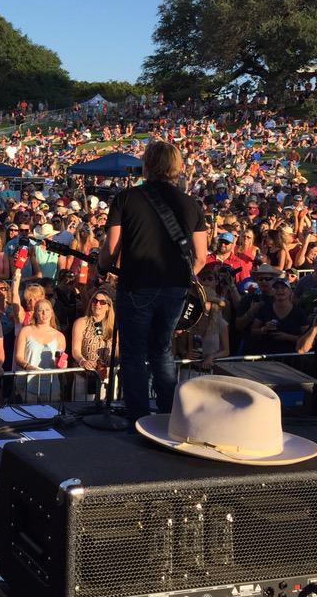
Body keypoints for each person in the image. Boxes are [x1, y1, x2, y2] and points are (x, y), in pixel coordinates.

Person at [97, 141, 208, 424]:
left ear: (147, 165)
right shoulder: (191, 203)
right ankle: (170, 419)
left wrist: (103, 267)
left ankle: (139, 420)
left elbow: (111, 250)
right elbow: (201, 257)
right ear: (176, 166)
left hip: (136, 286)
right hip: (175, 289)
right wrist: (182, 279)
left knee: (134, 354)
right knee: (162, 351)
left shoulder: (126, 199)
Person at [13, 298, 66, 402]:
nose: (44, 313)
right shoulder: (26, 331)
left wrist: (62, 365)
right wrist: (28, 366)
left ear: (51, 313)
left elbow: (59, 361)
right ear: (35, 313)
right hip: (27, 387)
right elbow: (18, 357)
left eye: (47, 310)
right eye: (40, 310)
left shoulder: (59, 336)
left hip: (51, 389)